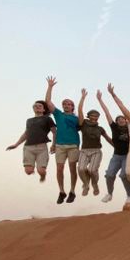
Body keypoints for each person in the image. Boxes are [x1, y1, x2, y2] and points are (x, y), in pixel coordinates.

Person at [44, 76, 81, 204]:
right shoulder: (59, 114)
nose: (66, 105)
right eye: (64, 103)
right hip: (60, 145)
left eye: (69, 104)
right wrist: (50, 86)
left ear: (72, 107)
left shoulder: (77, 119)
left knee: (72, 169)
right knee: (59, 169)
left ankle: (72, 191)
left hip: (73, 146)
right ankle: (61, 191)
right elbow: (48, 101)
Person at [96, 90, 130, 206]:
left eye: (123, 119)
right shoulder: (114, 127)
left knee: (123, 175)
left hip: (128, 156)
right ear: (117, 122)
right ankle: (109, 194)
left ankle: (129, 195)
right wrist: (100, 100)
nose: (121, 120)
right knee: (109, 175)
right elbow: (106, 112)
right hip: (116, 156)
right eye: (118, 119)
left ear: (126, 121)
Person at [6, 100, 55, 182]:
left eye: (40, 106)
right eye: (35, 106)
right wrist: (16, 144)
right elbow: (26, 134)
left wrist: (54, 145)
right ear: (33, 109)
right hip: (28, 147)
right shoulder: (29, 120)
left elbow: (54, 132)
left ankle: (43, 175)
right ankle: (32, 169)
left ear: (44, 109)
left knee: (41, 170)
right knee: (28, 171)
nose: (37, 107)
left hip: (41, 148)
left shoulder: (47, 119)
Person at [76, 89, 114, 196]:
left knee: (92, 170)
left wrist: (117, 147)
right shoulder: (83, 124)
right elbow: (80, 111)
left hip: (96, 151)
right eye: (92, 115)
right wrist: (83, 97)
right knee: (81, 168)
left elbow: (108, 138)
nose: (94, 117)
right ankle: (86, 185)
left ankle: (95, 184)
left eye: (96, 116)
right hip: (84, 150)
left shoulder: (100, 128)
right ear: (89, 116)